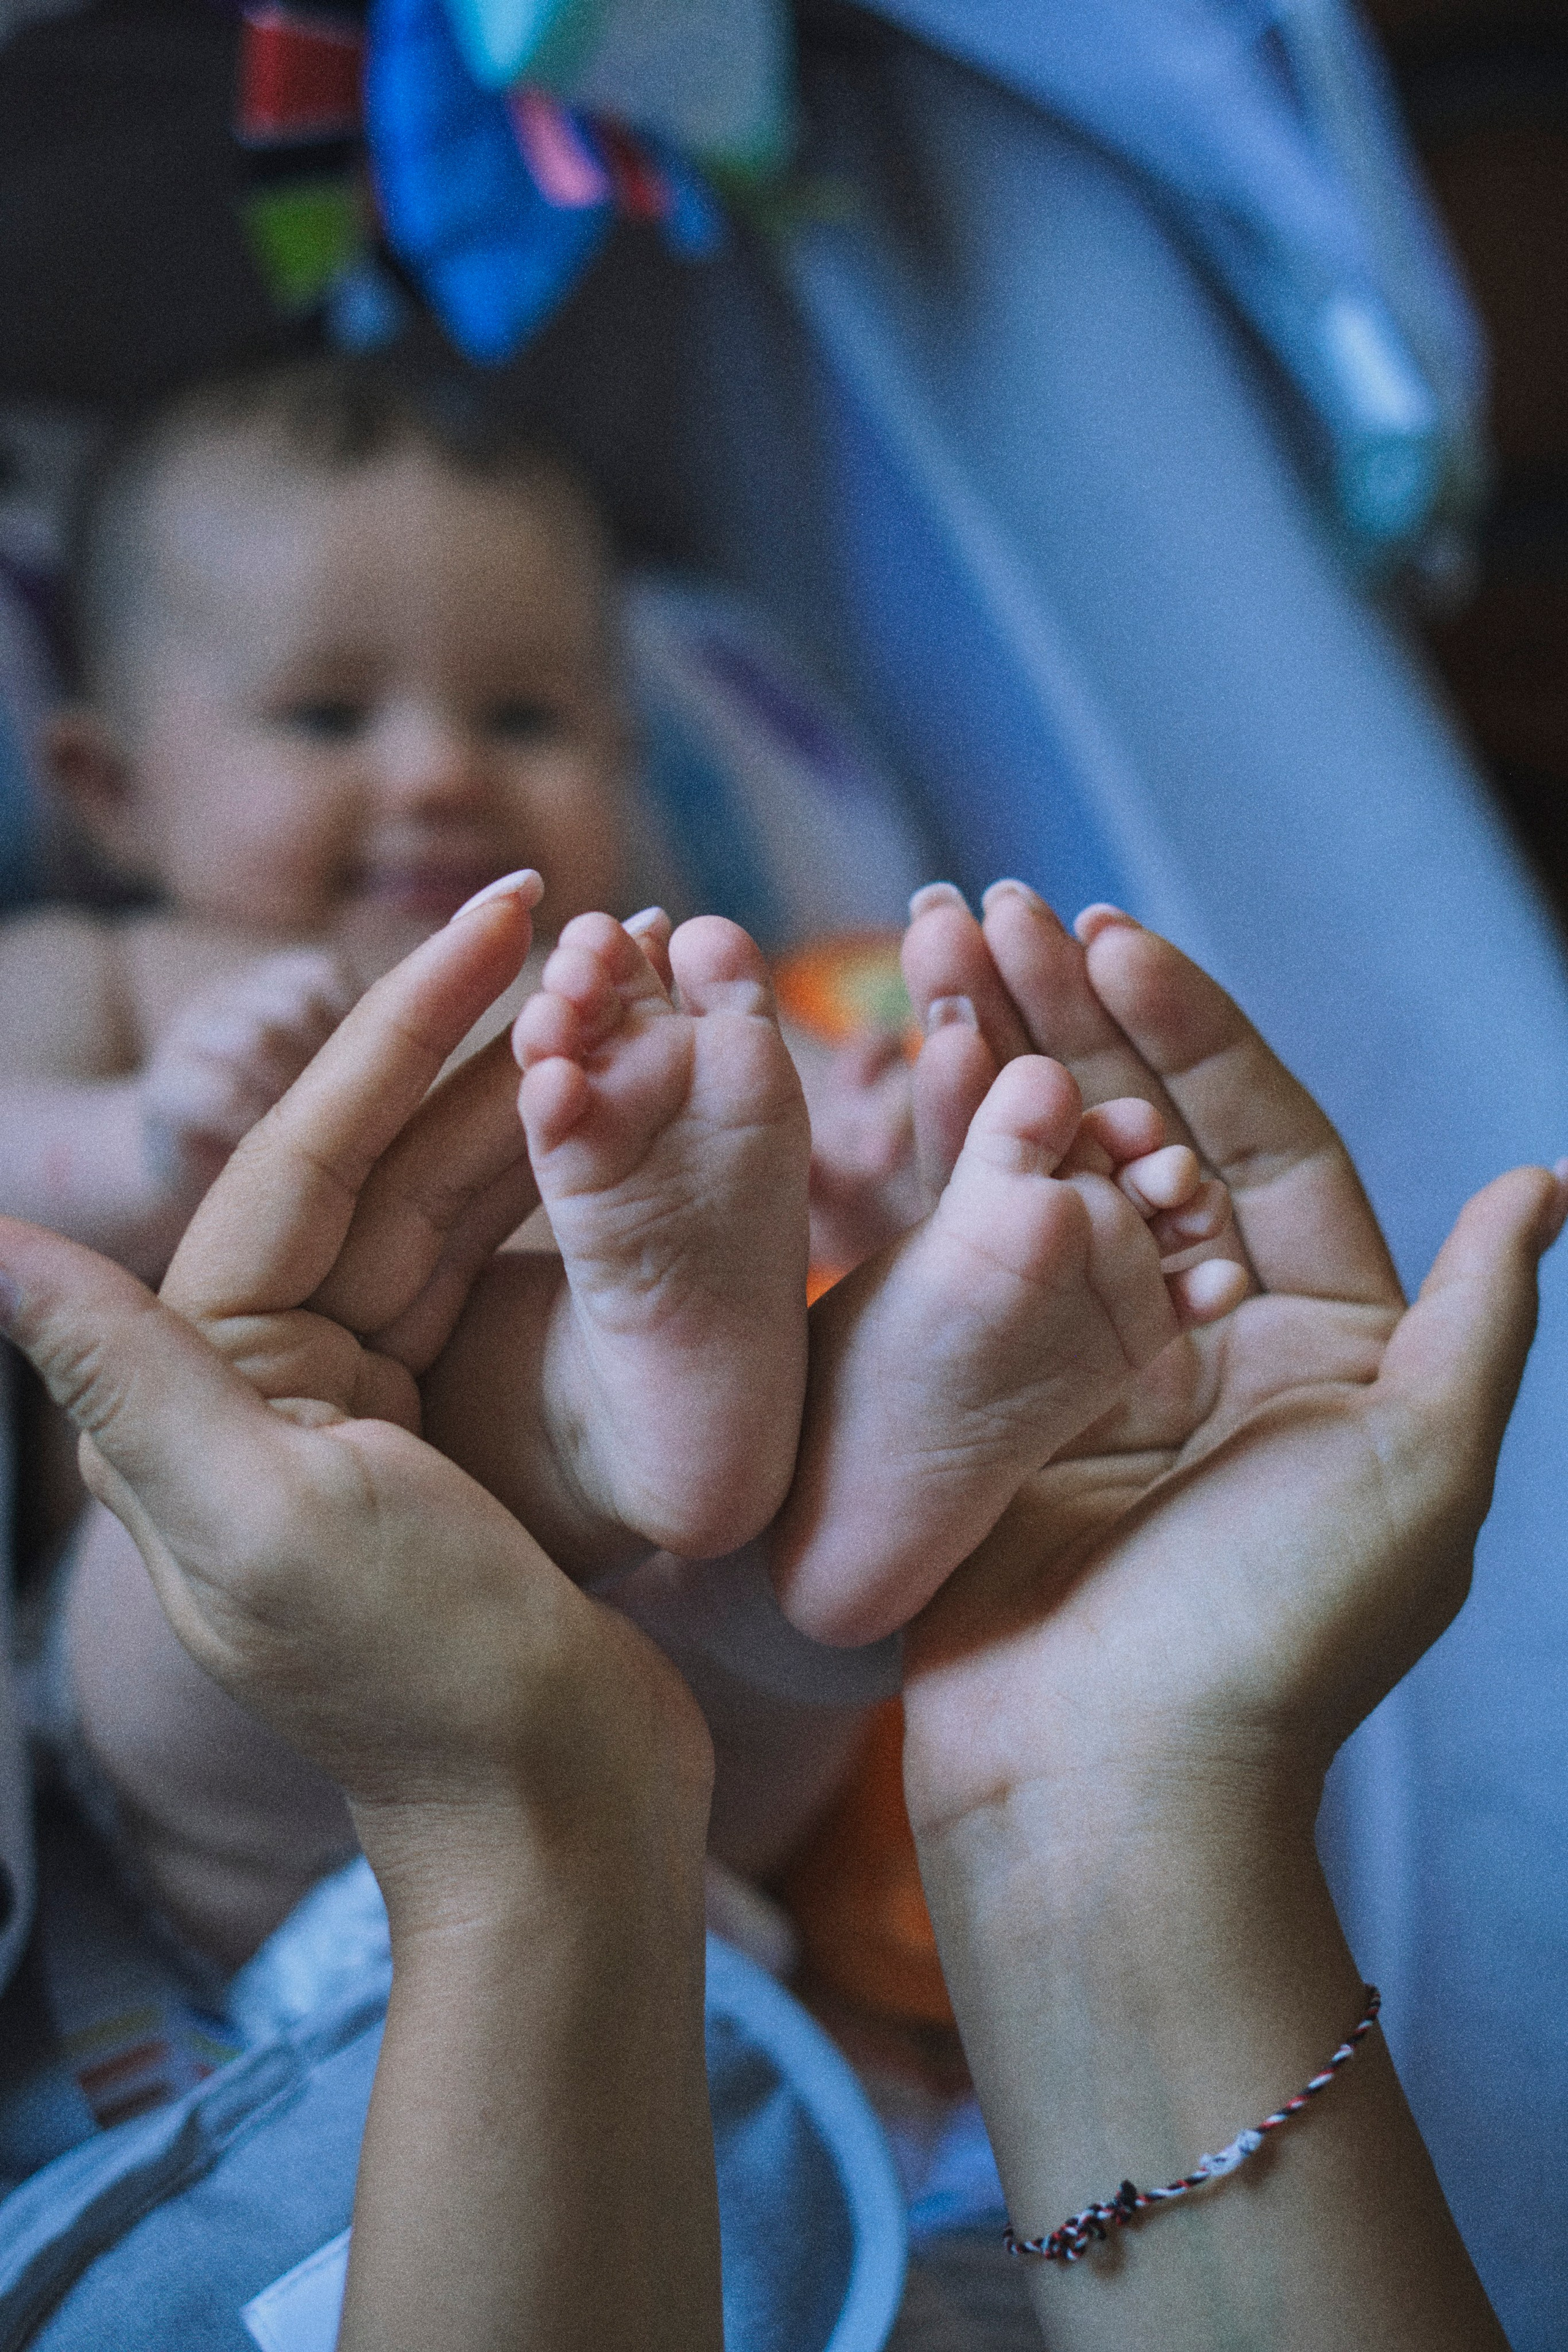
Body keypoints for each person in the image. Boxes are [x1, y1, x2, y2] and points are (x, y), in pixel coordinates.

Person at [0, 875, 1552, 2348]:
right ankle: (677, 1443)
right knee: (246, 1502)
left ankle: (690, 1441)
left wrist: (884, 1171)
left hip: (626, 1839)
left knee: (429, 1503)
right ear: (100, 775)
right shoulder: (110, 959)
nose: (433, 768)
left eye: (536, 713)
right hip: (269, 1797)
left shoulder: (728, 997)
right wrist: (131, 1141)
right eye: (318, 712)